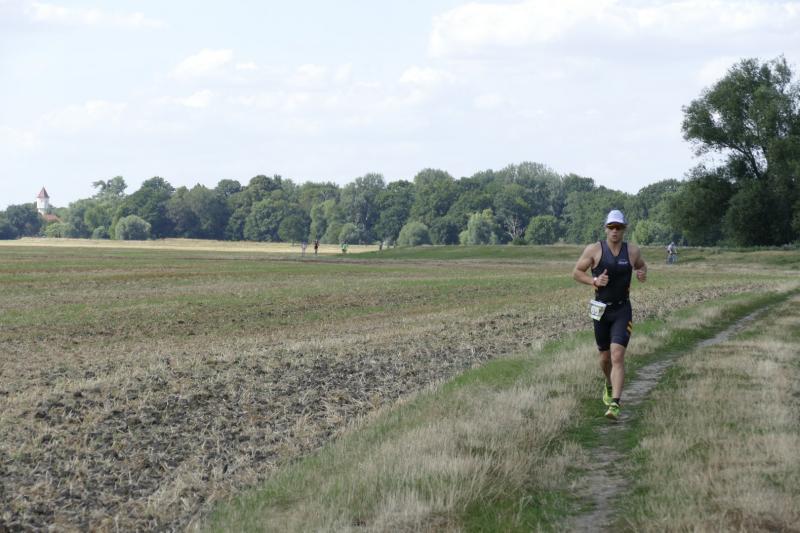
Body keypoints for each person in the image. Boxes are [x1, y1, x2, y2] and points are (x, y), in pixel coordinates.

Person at [572, 209, 647, 420]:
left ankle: (615, 404)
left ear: (624, 229)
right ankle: (608, 383)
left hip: (622, 309)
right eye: (611, 227)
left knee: (617, 355)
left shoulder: (632, 251)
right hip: (601, 310)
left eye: (618, 227)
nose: (615, 231)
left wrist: (642, 274)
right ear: (606, 228)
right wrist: (594, 281)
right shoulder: (594, 250)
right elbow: (576, 272)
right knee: (605, 359)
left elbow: (641, 266)